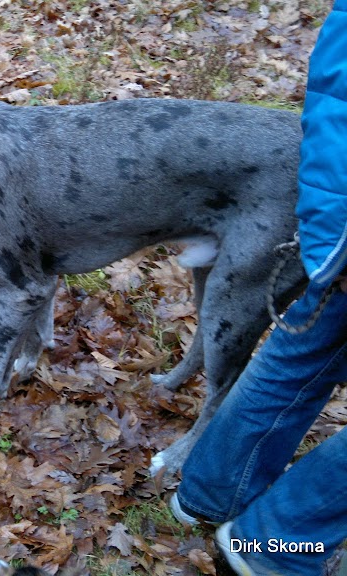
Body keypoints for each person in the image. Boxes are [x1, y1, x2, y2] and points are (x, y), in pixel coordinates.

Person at [169, 1, 347, 574]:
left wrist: (330, 236)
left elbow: (334, 93)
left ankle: (206, 497)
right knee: (305, 351)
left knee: (306, 352)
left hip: (338, 222)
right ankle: (272, 541)